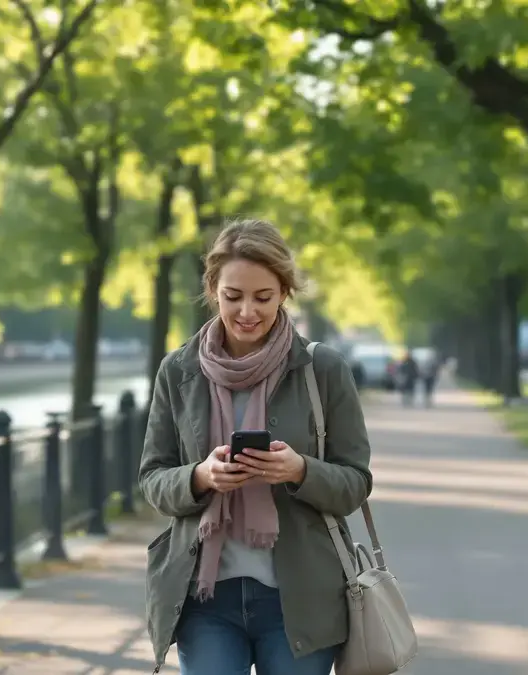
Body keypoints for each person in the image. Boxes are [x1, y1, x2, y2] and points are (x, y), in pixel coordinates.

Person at [138, 218, 373, 675]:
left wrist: (300, 471)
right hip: (205, 599)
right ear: (213, 290)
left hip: (301, 600)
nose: (247, 311)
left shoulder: (322, 369)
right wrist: (199, 477)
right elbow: (152, 478)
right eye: (233, 296)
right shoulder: (178, 371)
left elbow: (355, 484)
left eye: (263, 297)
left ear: (284, 291)